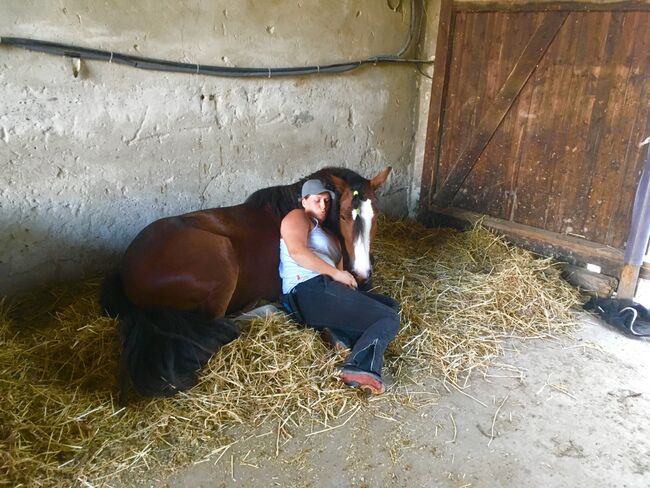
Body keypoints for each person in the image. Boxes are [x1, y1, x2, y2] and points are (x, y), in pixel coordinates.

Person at [279, 179, 400, 394]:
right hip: (307, 289)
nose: (323, 206)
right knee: (388, 318)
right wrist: (336, 274)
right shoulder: (297, 217)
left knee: (390, 306)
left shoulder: (332, 236)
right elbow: (297, 252)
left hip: (326, 291)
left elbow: (339, 274)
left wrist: (346, 282)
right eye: (317, 200)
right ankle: (359, 367)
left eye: (326, 201)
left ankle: (339, 335)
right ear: (303, 201)